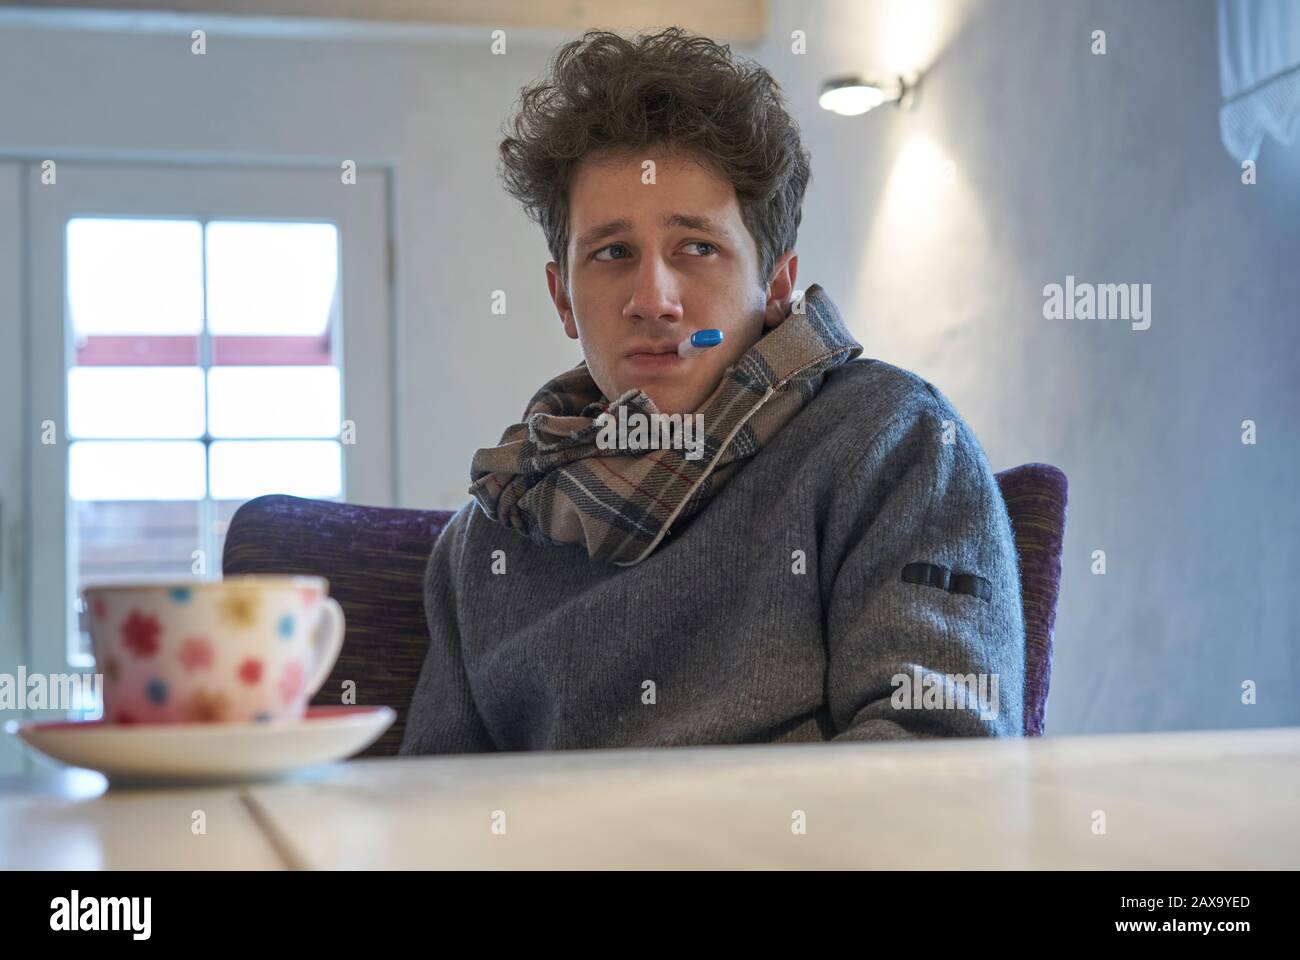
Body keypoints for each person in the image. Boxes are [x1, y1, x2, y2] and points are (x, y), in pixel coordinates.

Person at [400, 27, 1025, 754]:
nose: (653, 299)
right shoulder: (489, 537)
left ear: (777, 286)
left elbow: (938, 758)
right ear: (562, 299)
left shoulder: (890, 440)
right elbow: (433, 806)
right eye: (611, 253)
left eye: (697, 247)